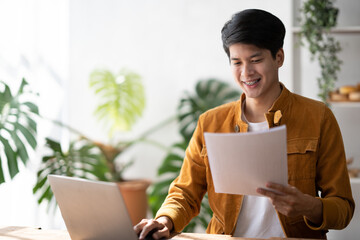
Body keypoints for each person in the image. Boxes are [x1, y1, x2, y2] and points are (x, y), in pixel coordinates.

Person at [134, 9, 355, 239]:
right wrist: (164, 220)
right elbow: (185, 192)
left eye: (256, 60)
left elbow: (343, 208)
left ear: (278, 57)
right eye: (236, 62)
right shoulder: (210, 122)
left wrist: (310, 206)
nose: (246, 72)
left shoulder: (318, 117)